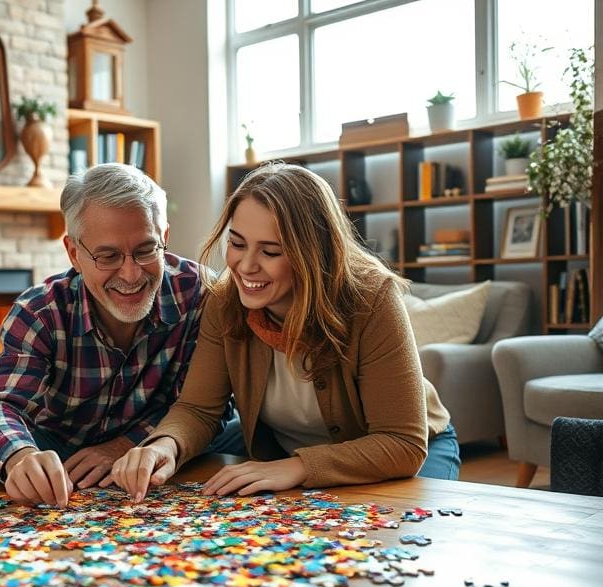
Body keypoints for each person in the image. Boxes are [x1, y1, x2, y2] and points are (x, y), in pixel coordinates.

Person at [112, 162, 460, 503]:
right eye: (237, 243)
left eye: (271, 250)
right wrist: (165, 444)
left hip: (405, 454)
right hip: (284, 456)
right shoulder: (224, 301)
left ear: (313, 253)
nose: (246, 266)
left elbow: (402, 443)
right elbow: (199, 409)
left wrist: (298, 467)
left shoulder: (372, 297)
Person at [0, 163, 243, 505]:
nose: (131, 274)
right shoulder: (39, 312)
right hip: (61, 448)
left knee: (241, 430)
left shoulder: (202, 295)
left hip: (156, 440)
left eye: (146, 250)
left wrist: (126, 444)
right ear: (74, 253)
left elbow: (206, 406)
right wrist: (22, 457)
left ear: (164, 238)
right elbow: (3, 404)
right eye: (108, 256)